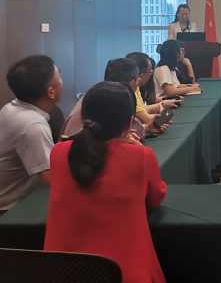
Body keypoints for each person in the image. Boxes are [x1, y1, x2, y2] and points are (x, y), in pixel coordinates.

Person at [44, 81, 167, 283]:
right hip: (125, 274)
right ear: (129, 123)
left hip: (62, 272)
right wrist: (135, 148)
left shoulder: (58, 153)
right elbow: (156, 197)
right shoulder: (141, 156)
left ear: (83, 118)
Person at [0, 55, 62, 221]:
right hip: (6, 215)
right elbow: (53, 180)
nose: (62, 82)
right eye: (60, 78)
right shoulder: (32, 125)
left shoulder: (11, 108)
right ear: (51, 92)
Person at [61, 59, 170, 139]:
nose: (138, 85)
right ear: (132, 82)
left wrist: (145, 128)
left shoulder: (96, 92)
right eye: (137, 80)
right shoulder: (120, 98)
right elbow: (137, 135)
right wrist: (142, 130)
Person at [127, 52, 182, 125]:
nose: (151, 74)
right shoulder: (128, 91)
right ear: (141, 76)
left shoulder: (135, 86)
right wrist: (162, 114)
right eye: (150, 72)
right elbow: (149, 121)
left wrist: (160, 105)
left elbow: (142, 109)